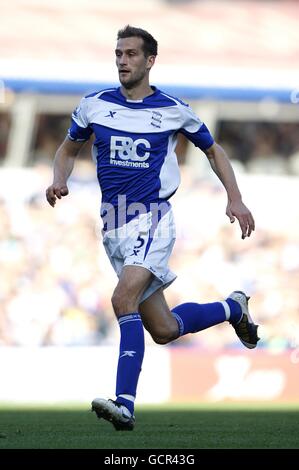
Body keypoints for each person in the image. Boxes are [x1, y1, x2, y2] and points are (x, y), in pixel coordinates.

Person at [46, 25, 259, 431]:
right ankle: (233, 307)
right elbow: (67, 149)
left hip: (152, 218)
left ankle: (124, 403)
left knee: (122, 298)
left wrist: (235, 197)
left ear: (149, 61)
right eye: (118, 54)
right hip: (112, 224)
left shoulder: (174, 110)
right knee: (162, 329)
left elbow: (213, 150)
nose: (122, 61)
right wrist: (61, 178)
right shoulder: (94, 105)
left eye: (130, 54)